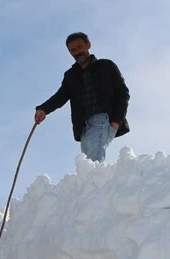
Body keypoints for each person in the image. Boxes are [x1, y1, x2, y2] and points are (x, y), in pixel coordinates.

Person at [34, 32, 130, 163]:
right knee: (87, 163)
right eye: (73, 50)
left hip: (103, 118)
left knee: (93, 162)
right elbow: (59, 97)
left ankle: (96, 182)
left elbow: (123, 93)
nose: (77, 52)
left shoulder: (106, 66)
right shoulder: (71, 76)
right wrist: (43, 110)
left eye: (79, 47)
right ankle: (95, 182)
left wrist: (117, 121)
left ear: (88, 45)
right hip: (83, 126)